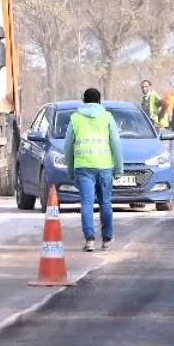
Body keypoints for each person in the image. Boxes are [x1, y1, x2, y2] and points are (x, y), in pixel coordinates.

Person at [64, 87, 124, 252]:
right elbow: (116, 144)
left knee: (86, 203)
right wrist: (118, 169)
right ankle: (107, 240)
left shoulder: (75, 118)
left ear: (83, 100)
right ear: (99, 101)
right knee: (105, 202)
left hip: (83, 167)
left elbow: (68, 146)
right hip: (104, 167)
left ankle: (89, 240)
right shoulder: (107, 117)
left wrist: (70, 169)